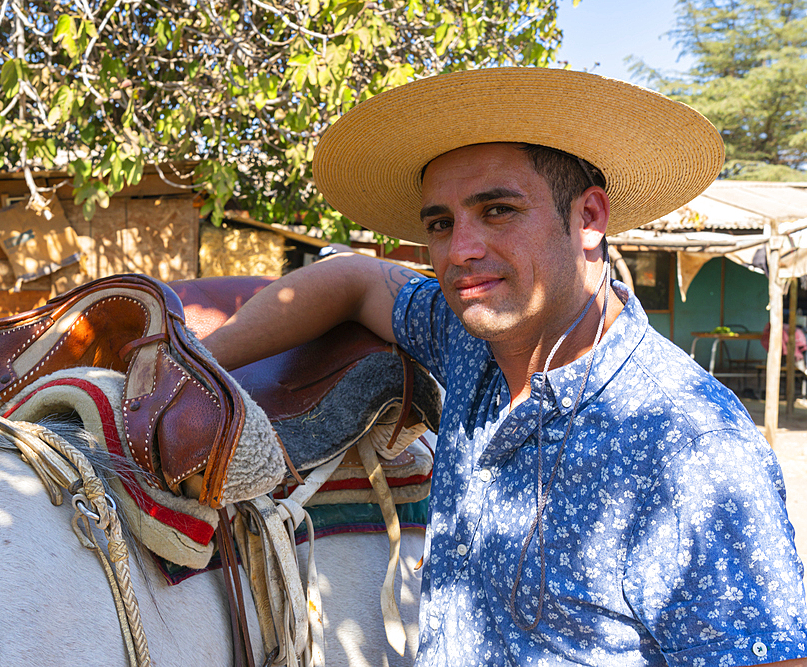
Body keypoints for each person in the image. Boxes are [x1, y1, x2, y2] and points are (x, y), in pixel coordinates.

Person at [203, 68, 807, 666]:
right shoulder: (471, 339)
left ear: (589, 218)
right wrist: (195, 358)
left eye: (497, 210)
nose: (460, 250)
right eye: (440, 223)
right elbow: (354, 279)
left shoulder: (690, 448)